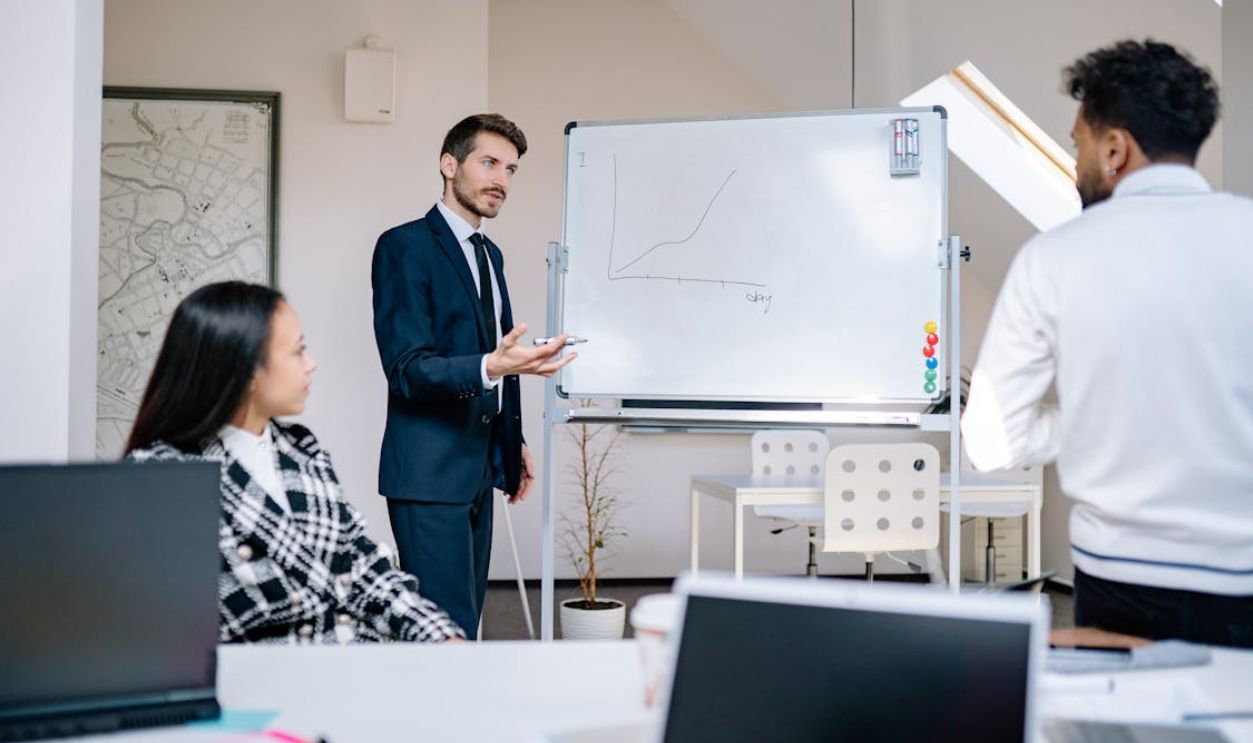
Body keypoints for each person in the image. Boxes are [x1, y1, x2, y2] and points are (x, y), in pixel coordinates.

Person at [962, 40, 1253, 647]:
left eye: (1078, 143)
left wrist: (1098, 420)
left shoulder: (1053, 259)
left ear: (1115, 148)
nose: (1075, 162)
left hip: (1121, 584)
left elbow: (991, 443)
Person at [126, 281, 464, 644]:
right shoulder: (161, 476)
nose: (311, 364)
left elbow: (365, 567)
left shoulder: (302, 451)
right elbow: (166, 635)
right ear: (247, 370)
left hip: (356, 673)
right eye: (298, 351)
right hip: (258, 687)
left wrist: (442, 637)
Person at [372, 113, 574, 635]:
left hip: (480, 470)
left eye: (511, 169)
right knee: (442, 631)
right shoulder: (404, 246)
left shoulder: (491, 255)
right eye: (489, 163)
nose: (501, 180)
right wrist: (492, 366)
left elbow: (498, 357)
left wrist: (513, 439)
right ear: (448, 165)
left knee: (467, 624)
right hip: (428, 475)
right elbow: (408, 371)